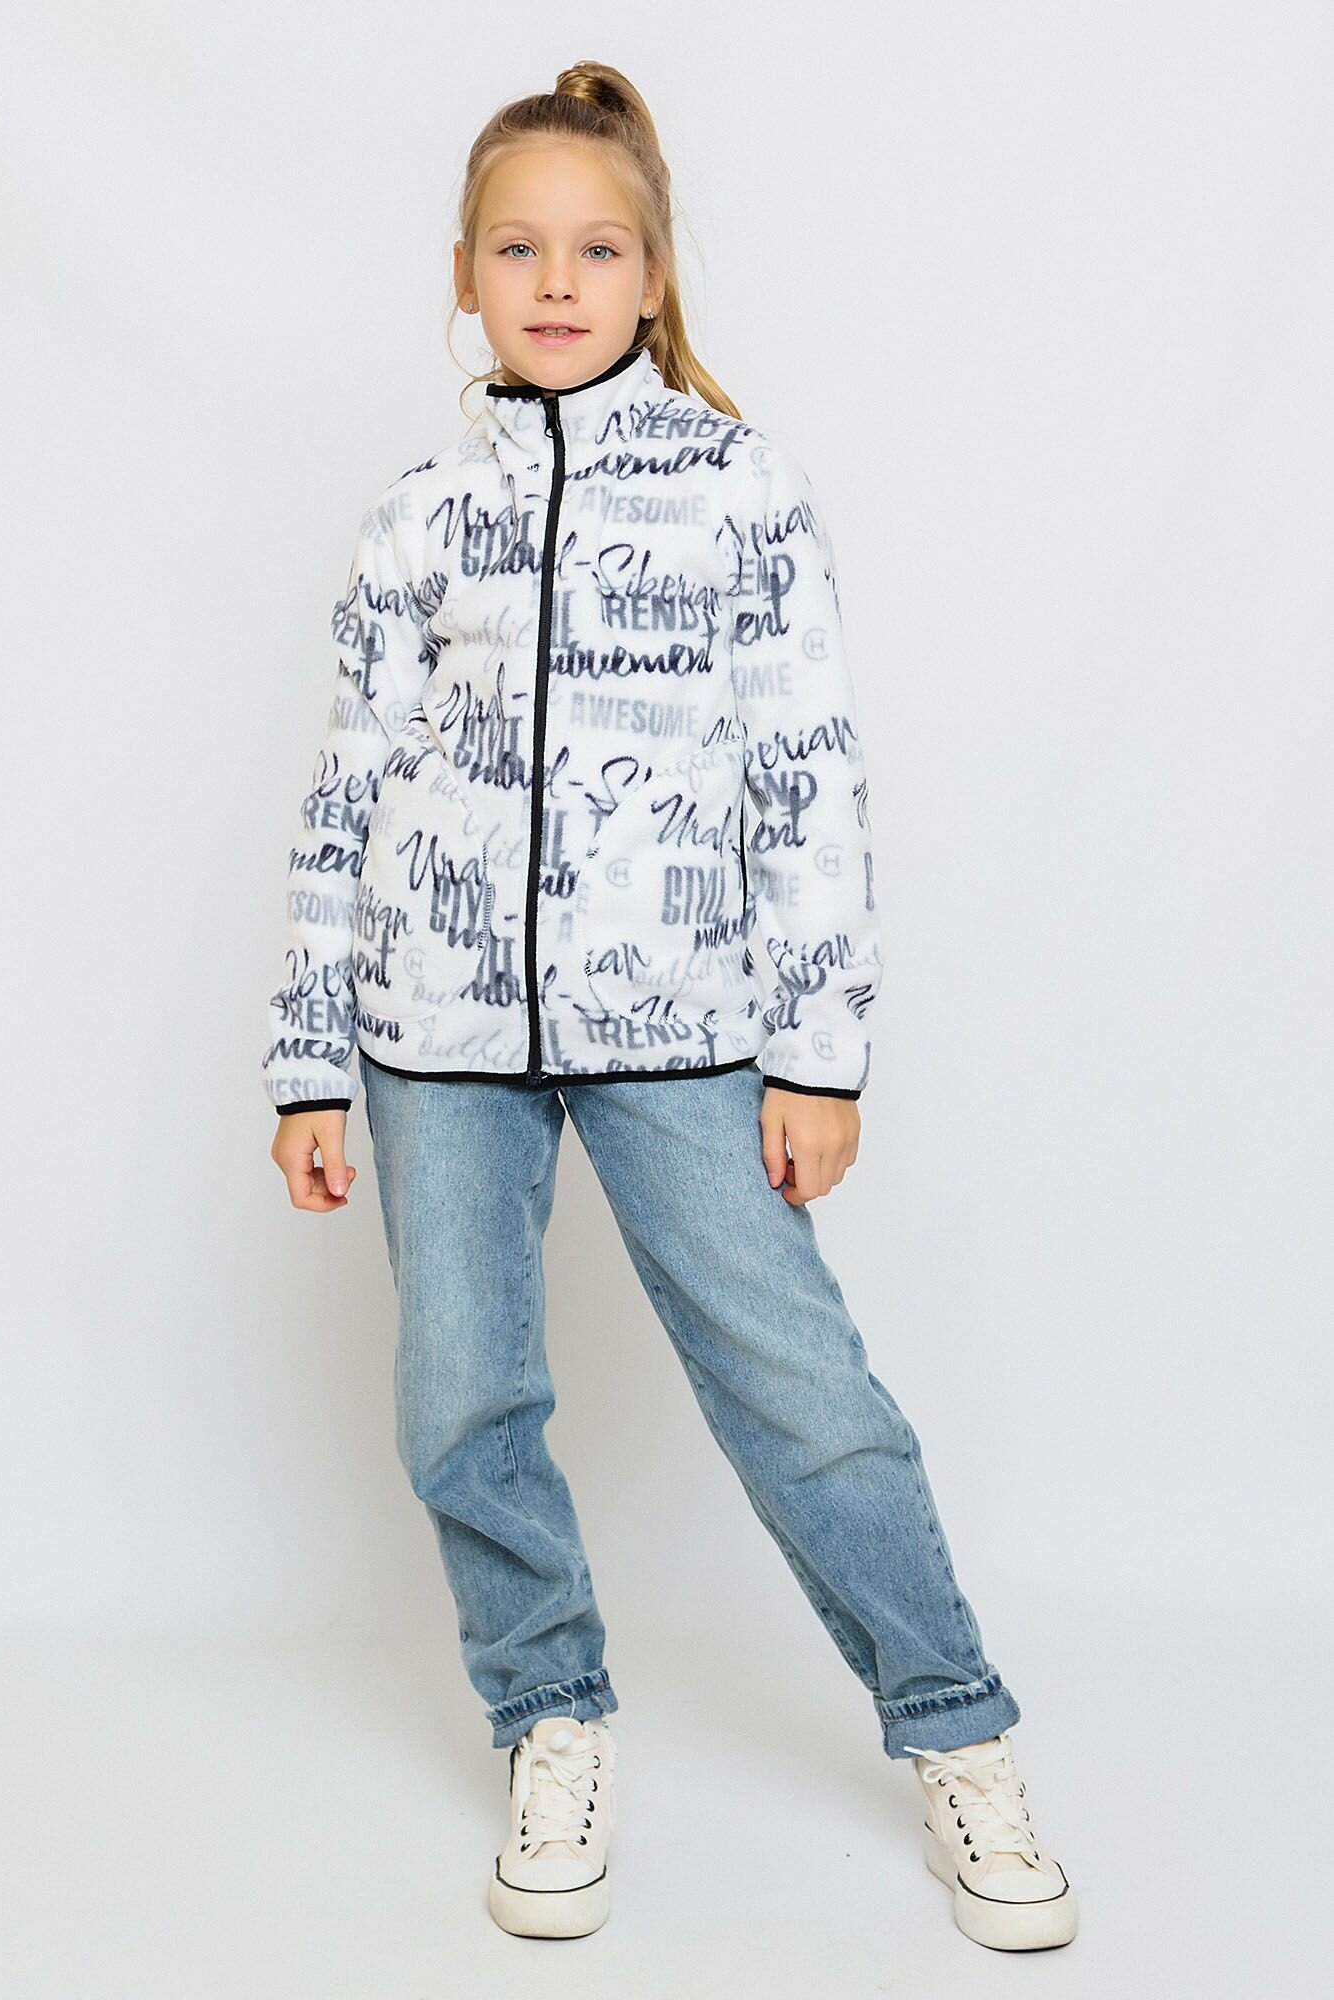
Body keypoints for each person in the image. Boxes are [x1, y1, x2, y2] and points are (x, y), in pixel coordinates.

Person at [263, 60, 1078, 1955]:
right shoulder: (415, 518)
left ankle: (956, 1728)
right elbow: (345, 791)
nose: (557, 280)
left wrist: (820, 1052)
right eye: (519, 248)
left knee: (804, 1395)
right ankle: (548, 1713)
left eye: (598, 248)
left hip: (690, 1030)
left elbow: (805, 776)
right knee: (462, 1399)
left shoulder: (740, 489)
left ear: (653, 275)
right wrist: (309, 1062)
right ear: (462, 275)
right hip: (434, 1037)